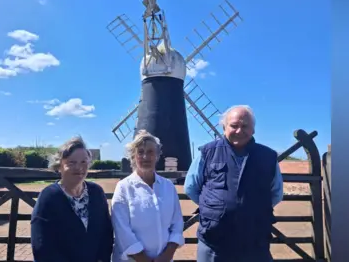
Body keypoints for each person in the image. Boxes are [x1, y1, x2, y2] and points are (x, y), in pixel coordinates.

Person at [184, 105, 284, 262]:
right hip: (214, 242)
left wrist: (254, 209)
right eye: (234, 126)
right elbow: (191, 187)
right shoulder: (207, 153)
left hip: (254, 241)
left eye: (245, 126)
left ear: (253, 130)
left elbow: (276, 192)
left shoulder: (268, 157)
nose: (239, 130)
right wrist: (213, 208)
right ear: (224, 128)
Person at [30, 136, 113, 262]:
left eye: (83, 162)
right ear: (60, 166)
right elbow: (42, 245)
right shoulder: (48, 197)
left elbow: (106, 233)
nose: (79, 167)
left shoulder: (97, 192)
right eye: (71, 162)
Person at [111, 130, 185, 262]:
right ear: (133, 156)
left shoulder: (168, 186)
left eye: (150, 152)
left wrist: (167, 255)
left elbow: (177, 223)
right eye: (140, 152)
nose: (145, 157)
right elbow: (122, 230)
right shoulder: (123, 187)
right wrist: (143, 259)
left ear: (157, 155)